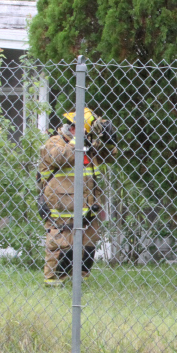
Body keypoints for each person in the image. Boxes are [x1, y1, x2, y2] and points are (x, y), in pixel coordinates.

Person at [37, 108, 115, 286]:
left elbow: (109, 156)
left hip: (86, 211)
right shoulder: (54, 143)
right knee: (60, 249)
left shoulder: (87, 147)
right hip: (60, 210)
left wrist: (108, 139)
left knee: (86, 248)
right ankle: (53, 285)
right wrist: (78, 140)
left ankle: (77, 286)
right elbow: (60, 157)